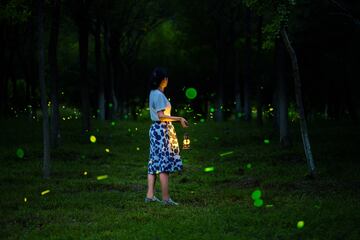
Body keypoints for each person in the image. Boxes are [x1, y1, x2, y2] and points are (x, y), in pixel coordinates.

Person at [145, 67, 189, 206]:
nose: (167, 80)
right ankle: (165, 199)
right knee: (163, 164)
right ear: (163, 80)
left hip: (156, 129)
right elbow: (161, 116)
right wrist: (180, 118)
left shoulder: (154, 93)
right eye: (166, 78)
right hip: (161, 130)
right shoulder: (158, 95)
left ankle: (150, 196)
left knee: (154, 162)